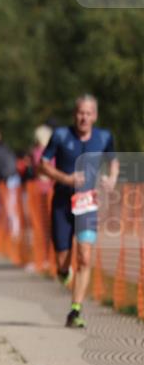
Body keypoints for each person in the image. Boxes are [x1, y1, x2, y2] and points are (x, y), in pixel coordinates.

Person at [39, 94, 118, 328]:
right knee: (63, 262)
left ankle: (75, 310)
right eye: (80, 113)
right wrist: (66, 179)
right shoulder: (61, 136)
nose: (84, 117)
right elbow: (42, 164)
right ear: (75, 114)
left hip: (87, 205)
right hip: (62, 204)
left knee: (84, 256)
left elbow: (113, 161)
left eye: (88, 113)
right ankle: (64, 272)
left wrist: (112, 178)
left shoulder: (104, 137)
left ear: (95, 116)